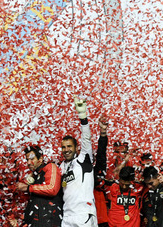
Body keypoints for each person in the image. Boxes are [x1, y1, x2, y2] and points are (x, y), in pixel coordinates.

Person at [60, 97, 97, 227]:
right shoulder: (61, 167)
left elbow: (86, 138)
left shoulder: (83, 160)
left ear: (76, 148)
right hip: (66, 216)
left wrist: (83, 117)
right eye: (63, 147)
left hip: (83, 215)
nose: (66, 150)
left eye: (69, 146)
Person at [15, 145, 63, 227]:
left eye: (32, 159)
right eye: (27, 160)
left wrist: (27, 188)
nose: (28, 162)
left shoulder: (50, 167)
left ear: (40, 159)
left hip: (48, 222)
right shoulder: (34, 176)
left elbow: (52, 189)